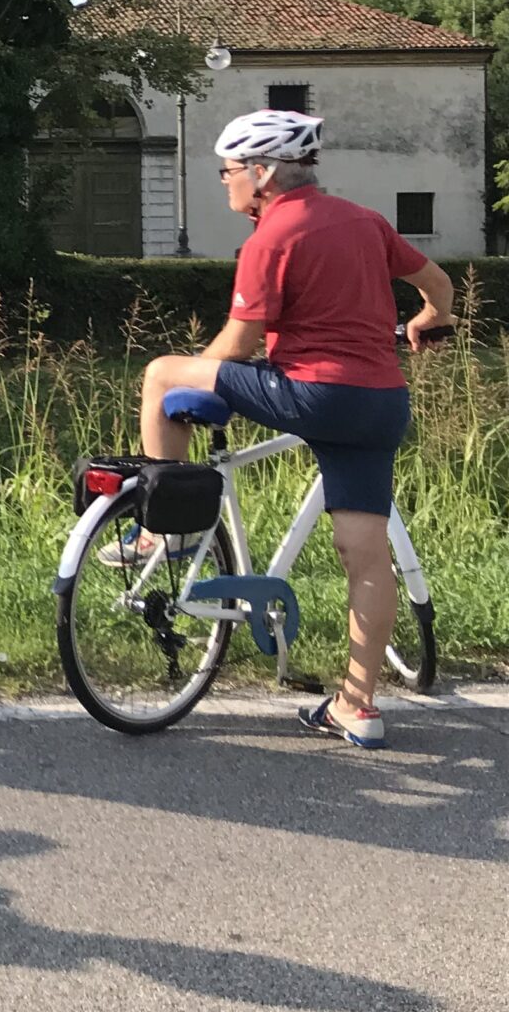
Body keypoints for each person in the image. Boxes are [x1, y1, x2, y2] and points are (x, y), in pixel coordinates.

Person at [132, 110, 454, 749]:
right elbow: (437, 285)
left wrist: (195, 372)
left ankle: (162, 534)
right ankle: (357, 706)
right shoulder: (365, 220)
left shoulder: (270, 239)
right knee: (367, 560)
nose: (225, 182)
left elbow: (238, 345)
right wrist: (428, 320)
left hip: (313, 395)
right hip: (382, 403)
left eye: (228, 171)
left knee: (162, 375)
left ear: (261, 173)